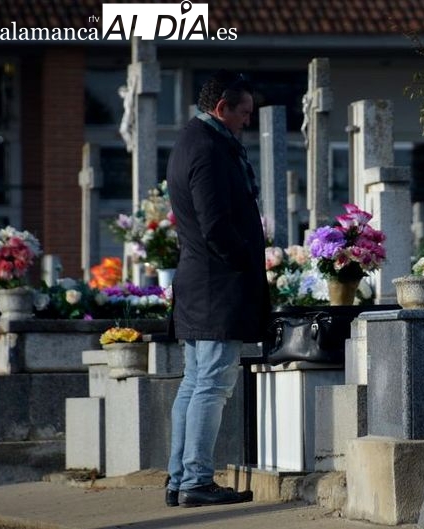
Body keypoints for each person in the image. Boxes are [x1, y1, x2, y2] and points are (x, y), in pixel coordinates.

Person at [165, 70, 270, 507]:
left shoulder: (193, 140)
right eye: (243, 112)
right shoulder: (208, 149)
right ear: (222, 107)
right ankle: (195, 480)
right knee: (211, 385)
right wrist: (247, 259)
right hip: (216, 286)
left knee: (194, 383)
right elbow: (214, 225)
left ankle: (179, 479)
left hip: (200, 283)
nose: (248, 120)